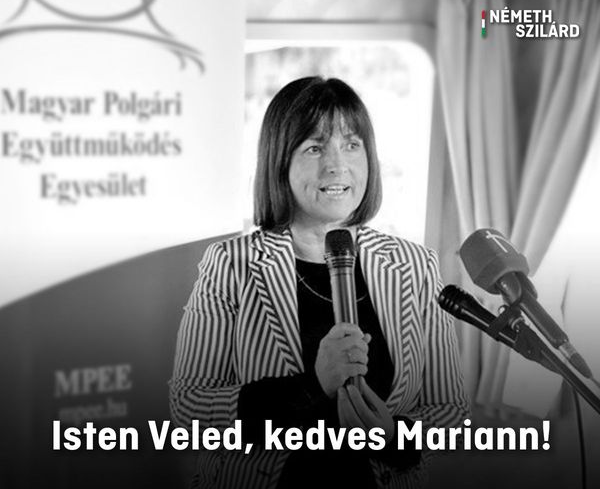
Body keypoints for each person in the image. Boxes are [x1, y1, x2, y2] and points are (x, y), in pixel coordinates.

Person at [169, 76, 470, 489]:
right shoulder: (231, 265)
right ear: (280, 162)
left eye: (351, 145)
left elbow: (451, 413)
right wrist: (312, 386)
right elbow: (188, 409)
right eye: (314, 148)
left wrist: (394, 437)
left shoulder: (415, 266)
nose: (337, 165)